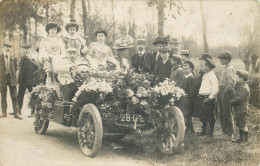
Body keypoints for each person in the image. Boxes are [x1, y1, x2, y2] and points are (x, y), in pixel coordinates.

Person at [0, 40, 22, 119]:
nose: (7, 48)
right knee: (3, 96)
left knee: (14, 96)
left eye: (9, 47)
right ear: (3, 47)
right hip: (2, 79)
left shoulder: (14, 58)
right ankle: (4, 112)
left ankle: (16, 113)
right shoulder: (0, 57)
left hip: (12, 79)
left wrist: (13, 75)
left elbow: (16, 68)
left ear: (10, 48)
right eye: (6, 46)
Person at [198, 58, 219, 137]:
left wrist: (210, 97)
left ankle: (210, 133)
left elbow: (215, 89)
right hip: (202, 97)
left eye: (204, 66)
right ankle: (204, 130)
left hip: (208, 98)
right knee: (203, 115)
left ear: (209, 67)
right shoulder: (205, 75)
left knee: (209, 115)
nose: (203, 67)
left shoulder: (212, 76)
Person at [218, 51, 236, 140]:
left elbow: (231, 83)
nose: (220, 60)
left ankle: (230, 133)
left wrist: (224, 92)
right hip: (222, 91)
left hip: (227, 93)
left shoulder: (229, 68)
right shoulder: (225, 68)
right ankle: (226, 132)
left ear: (227, 59)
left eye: (221, 59)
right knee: (223, 112)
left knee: (227, 113)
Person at [16, 43, 38, 116]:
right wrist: (19, 80)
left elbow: (37, 68)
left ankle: (33, 111)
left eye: (27, 49)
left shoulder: (34, 57)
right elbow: (21, 70)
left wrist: (35, 79)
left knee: (34, 95)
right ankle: (18, 110)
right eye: (24, 49)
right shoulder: (23, 57)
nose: (26, 50)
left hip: (31, 80)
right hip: (23, 81)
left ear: (30, 49)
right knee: (20, 95)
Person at [231, 70, 250, 143]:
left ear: (241, 78)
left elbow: (239, 99)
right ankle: (241, 138)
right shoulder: (241, 86)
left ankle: (246, 140)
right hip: (238, 108)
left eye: (237, 77)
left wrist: (231, 102)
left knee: (243, 124)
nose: (235, 79)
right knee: (239, 123)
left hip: (242, 108)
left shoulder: (244, 88)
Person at [178, 60, 196, 134]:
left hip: (188, 99)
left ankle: (189, 129)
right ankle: (190, 129)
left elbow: (192, 91)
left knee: (187, 114)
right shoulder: (184, 77)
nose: (185, 71)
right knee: (185, 114)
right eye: (183, 69)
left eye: (186, 69)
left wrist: (186, 95)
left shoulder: (191, 78)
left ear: (191, 69)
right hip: (183, 98)